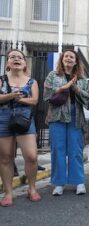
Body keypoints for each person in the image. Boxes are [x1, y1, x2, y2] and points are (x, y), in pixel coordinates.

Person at [44, 49, 89, 196]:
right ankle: (58, 183)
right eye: (66, 56)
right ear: (62, 59)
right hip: (57, 116)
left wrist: (74, 87)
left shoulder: (82, 79)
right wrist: (63, 87)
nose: (69, 58)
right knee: (58, 149)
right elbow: (46, 94)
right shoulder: (53, 75)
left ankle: (79, 182)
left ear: (76, 61)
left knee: (75, 150)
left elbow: (86, 98)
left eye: (72, 57)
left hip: (75, 116)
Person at [0, 49, 41, 207]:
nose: (16, 59)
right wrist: (11, 96)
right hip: (3, 118)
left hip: (24, 119)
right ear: (8, 63)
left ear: (25, 63)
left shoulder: (32, 82)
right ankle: (8, 193)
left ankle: (32, 188)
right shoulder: (2, 80)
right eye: (12, 57)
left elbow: (35, 101)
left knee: (31, 156)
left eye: (20, 57)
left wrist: (20, 99)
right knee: (5, 157)